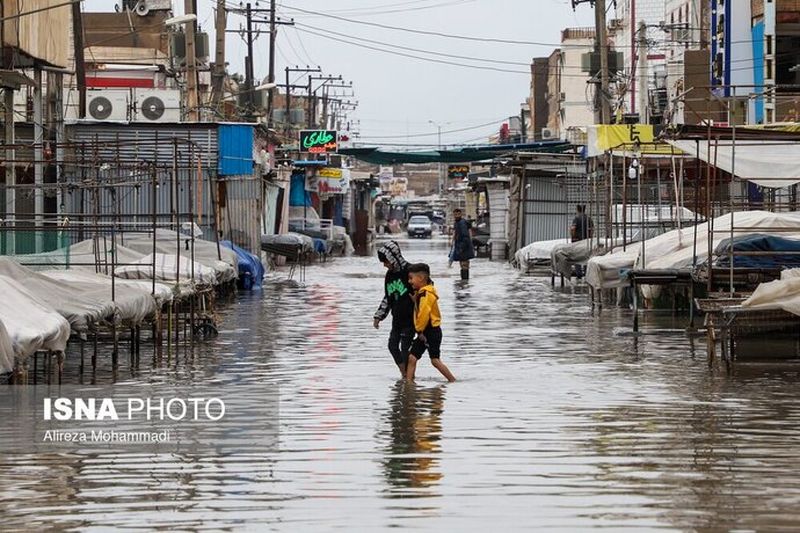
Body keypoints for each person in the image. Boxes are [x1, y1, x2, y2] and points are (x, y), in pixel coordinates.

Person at [406, 263, 456, 382]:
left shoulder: (426, 294)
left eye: (411, 278)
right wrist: (415, 301)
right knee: (412, 357)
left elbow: (424, 314)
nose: (409, 281)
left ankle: (453, 380)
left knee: (435, 360)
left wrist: (419, 330)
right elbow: (421, 310)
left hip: (430, 331)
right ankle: (408, 383)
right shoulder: (422, 293)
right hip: (424, 331)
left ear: (421, 278)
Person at [374, 241, 416, 378]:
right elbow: (388, 297)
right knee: (392, 346)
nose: (384, 265)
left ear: (394, 258)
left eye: (386, 261)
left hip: (410, 320)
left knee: (405, 349)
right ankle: (404, 373)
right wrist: (379, 315)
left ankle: (409, 379)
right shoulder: (389, 276)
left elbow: (427, 288)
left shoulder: (410, 271)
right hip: (396, 319)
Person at [450, 209, 475, 280]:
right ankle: (464, 282)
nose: (456, 216)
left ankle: (464, 282)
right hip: (461, 246)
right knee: (462, 264)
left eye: (458, 214)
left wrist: (462, 247)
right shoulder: (457, 223)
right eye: (455, 214)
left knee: (464, 265)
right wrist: (453, 242)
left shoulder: (462, 223)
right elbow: (455, 233)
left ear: (460, 214)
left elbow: (466, 236)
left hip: (464, 246)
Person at [570, 205, 594, 278]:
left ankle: (579, 274)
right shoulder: (589, 219)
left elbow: (573, 229)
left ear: (577, 209)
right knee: (586, 256)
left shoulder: (576, 218)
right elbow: (592, 230)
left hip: (577, 240)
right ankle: (586, 272)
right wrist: (589, 237)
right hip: (586, 240)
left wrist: (573, 237)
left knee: (577, 256)